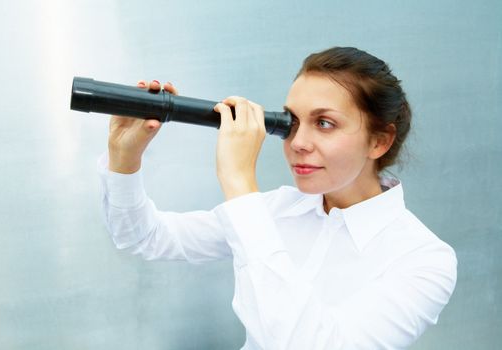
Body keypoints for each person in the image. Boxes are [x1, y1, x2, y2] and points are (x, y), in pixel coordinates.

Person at [97, 47, 457, 349]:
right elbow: (145, 238)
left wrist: (239, 181)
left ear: (379, 141)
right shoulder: (276, 209)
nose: (297, 142)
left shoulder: (424, 260)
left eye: (325, 123)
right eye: (290, 122)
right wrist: (124, 158)